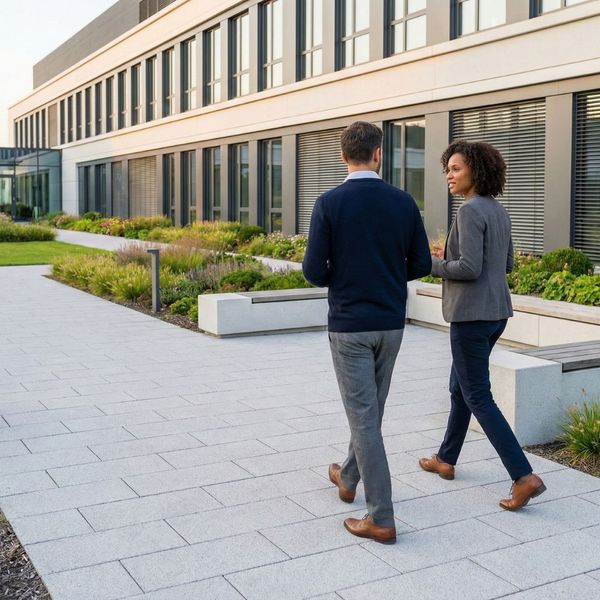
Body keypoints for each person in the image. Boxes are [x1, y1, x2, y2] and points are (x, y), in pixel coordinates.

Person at [302, 121, 431, 544]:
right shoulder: (403, 202)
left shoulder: (329, 203)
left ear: (344, 156)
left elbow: (311, 271)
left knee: (364, 419)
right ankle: (348, 475)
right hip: (391, 324)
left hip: (350, 325)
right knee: (369, 414)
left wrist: (342, 278)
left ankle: (382, 517)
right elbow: (422, 265)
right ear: (379, 154)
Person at [418, 140, 546, 510]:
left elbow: (469, 269)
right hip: (495, 314)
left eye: (456, 169)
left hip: (471, 316)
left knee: (476, 394)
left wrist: (431, 263)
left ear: (476, 170)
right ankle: (446, 458)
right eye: (447, 169)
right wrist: (454, 257)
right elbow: (504, 265)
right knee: (461, 387)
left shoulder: (470, 211)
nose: (449, 176)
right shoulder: (497, 209)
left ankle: (523, 476)